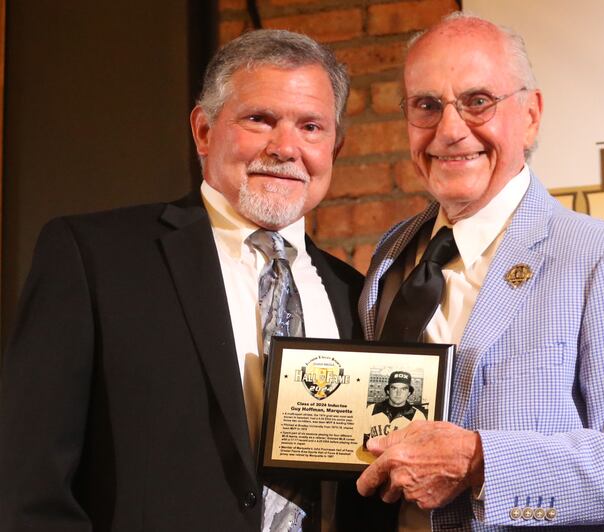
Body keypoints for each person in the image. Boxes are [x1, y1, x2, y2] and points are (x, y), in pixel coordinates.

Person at [353, 13, 604, 531]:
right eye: (426, 106)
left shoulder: (603, 259)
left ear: (531, 115)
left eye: (478, 102)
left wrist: (479, 460)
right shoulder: (391, 255)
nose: (450, 131)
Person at [0, 29, 362, 532]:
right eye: (260, 119)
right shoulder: (93, 257)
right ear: (204, 131)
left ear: (335, 148)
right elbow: (28, 481)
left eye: (311, 127)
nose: (286, 147)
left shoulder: (355, 293)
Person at [365, 371, 428, 442]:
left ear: (409, 393)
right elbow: (363, 441)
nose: (398, 393)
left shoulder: (418, 416)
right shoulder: (371, 409)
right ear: (388, 391)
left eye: (403, 389)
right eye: (394, 388)